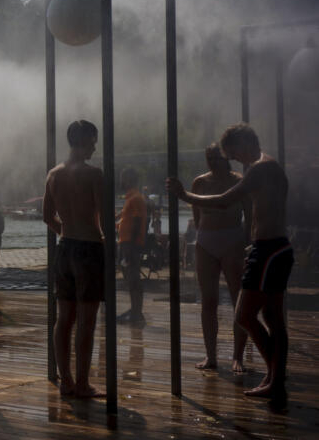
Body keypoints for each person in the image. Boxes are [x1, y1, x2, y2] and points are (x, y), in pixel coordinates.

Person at [168, 123, 292, 408]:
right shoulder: (267, 167)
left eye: (232, 152)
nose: (232, 158)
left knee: (244, 315)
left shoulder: (261, 168)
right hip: (273, 247)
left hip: (269, 249)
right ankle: (275, 379)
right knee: (272, 319)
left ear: (245, 142)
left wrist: (185, 196)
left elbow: (225, 202)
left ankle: (274, 373)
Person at [42, 120, 105, 398]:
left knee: (64, 317)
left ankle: (65, 380)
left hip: (64, 247)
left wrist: (65, 232)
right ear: (84, 140)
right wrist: (101, 243)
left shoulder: (53, 174)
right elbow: (101, 218)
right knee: (87, 319)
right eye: (93, 140)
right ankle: (82, 383)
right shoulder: (94, 175)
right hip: (88, 248)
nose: (95, 146)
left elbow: (46, 216)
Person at [189, 143, 250, 373]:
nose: (214, 162)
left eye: (217, 158)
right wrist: (202, 235)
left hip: (232, 240)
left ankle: (238, 356)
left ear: (227, 158)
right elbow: (196, 214)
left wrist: (246, 243)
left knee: (238, 300)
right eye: (210, 158)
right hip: (206, 242)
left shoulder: (239, 181)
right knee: (209, 300)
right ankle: (211, 356)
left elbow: (249, 213)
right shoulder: (200, 182)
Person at [116, 167, 147, 325]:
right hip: (128, 243)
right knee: (130, 278)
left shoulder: (135, 198)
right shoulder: (131, 199)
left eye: (123, 178)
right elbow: (125, 220)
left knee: (133, 278)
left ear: (129, 180)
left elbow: (137, 221)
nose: (121, 182)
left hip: (130, 245)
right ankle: (134, 310)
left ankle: (136, 312)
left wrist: (131, 247)